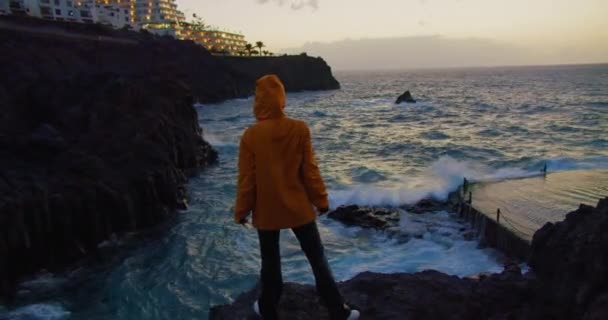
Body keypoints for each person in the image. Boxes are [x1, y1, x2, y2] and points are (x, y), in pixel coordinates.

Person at [234, 75, 360, 320]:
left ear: (259, 102)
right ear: (282, 99)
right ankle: (338, 311)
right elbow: (310, 172)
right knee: (317, 259)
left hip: (267, 211)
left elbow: (247, 180)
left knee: (270, 264)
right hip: (299, 207)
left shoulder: (251, 136)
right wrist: (321, 201)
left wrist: (241, 211)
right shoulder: (299, 128)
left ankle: (268, 310)